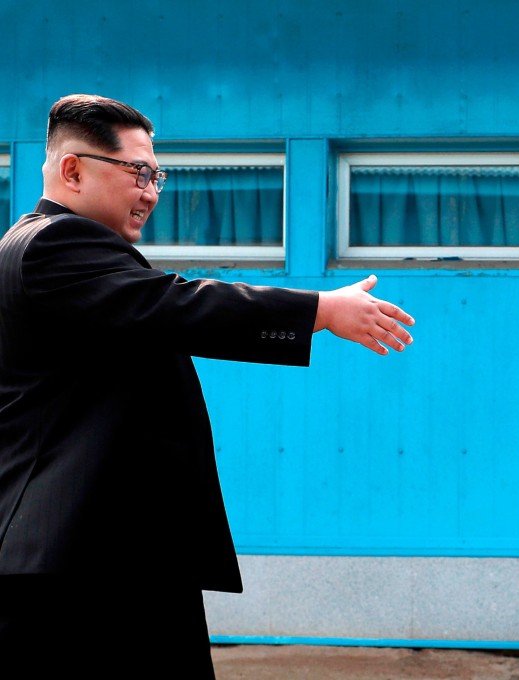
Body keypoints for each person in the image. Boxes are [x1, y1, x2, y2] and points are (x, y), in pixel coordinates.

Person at [0, 94, 415, 677]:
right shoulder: (55, 243)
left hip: (103, 553)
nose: (151, 192)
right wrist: (318, 309)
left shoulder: (37, 247)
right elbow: (176, 304)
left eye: (157, 175)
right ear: (72, 169)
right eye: (137, 172)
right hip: (84, 561)